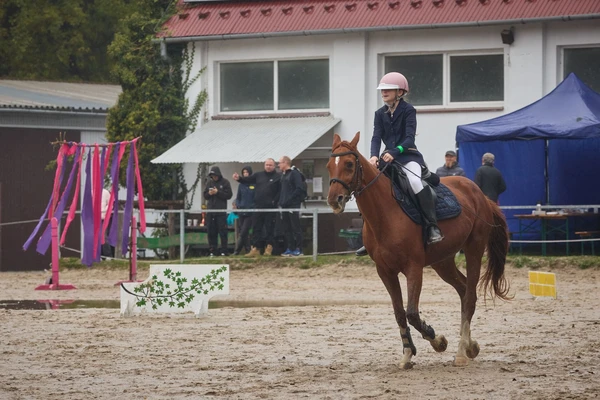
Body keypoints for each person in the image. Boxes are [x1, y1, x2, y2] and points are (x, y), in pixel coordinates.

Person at [356, 71, 443, 256]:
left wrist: (395, 152)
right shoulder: (379, 114)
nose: (384, 93)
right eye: (382, 90)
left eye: (388, 90)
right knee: (370, 187)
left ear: (400, 92)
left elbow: (409, 138)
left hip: (408, 157)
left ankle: (432, 227)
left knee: (414, 182)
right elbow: (376, 137)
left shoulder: (408, 110)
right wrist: (373, 156)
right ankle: (368, 237)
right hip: (386, 159)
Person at [233, 158, 281, 256]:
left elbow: (280, 191)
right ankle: (256, 248)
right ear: (264, 165)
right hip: (258, 206)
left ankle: (269, 247)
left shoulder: (278, 177)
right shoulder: (258, 175)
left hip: (271, 208)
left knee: (269, 228)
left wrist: (274, 201)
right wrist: (239, 178)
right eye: (267, 164)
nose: (268, 166)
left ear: (274, 166)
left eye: (270, 165)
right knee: (256, 228)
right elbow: (247, 180)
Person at [278, 156, 305, 257]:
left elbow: (299, 188)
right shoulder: (283, 175)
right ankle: (290, 248)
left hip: (293, 205)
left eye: (280, 163)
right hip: (284, 205)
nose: (279, 165)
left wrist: (290, 199)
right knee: (287, 228)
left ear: (285, 163)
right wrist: (281, 201)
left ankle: (299, 248)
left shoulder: (294, 174)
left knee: (295, 227)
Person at [203, 166, 233, 256]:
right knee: (211, 232)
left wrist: (218, 192)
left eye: (215, 175)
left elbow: (229, 195)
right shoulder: (209, 183)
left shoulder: (225, 182)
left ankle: (224, 250)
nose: (214, 177)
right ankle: (213, 250)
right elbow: (205, 195)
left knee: (223, 232)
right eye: (212, 175)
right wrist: (210, 193)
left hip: (221, 212)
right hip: (211, 211)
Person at [232, 166, 255, 255]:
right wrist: (238, 204)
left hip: (250, 212)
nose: (245, 174)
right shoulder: (241, 185)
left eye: (247, 172)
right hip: (241, 211)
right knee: (243, 231)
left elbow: (255, 197)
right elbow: (238, 197)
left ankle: (236, 251)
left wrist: (252, 206)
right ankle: (248, 249)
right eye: (244, 172)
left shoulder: (254, 184)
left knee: (244, 231)